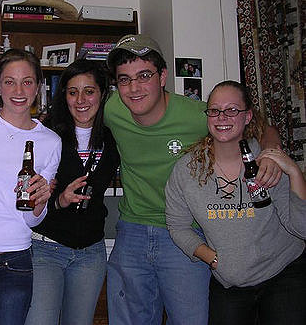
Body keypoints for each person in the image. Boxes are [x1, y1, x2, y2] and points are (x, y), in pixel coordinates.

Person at [103, 34, 282, 325]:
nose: (134, 88)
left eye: (144, 75)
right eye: (124, 79)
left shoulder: (197, 115)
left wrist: (272, 153)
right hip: (132, 231)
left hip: (187, 236)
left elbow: (262, 125)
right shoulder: (112, 110)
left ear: (162, 77)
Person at [165, 80, 306, 325]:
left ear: (248, 116)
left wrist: (294, 172)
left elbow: (300, 228)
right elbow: (177, 226)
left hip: (283, 274)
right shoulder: (187, 170)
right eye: (215, 110)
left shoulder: (267, 163)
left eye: (232, 110)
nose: (222, 117)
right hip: (230, 283)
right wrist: (212, 258)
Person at [0, 49, 61, 325]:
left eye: (27, 82)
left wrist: (40, 201)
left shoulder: (50, 142)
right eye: (9, 81)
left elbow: (31, 218)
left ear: (38, 86)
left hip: (12, 263)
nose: (19, 90)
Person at [25, 59, 120, 325]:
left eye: (89, 91)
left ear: (102, 94)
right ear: (63, 95)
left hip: (90, 253)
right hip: (46, 249)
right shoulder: (45, 135)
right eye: (72, 91)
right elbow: (27, 196)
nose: (80, 100)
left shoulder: (112, 140)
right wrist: (59, 200)